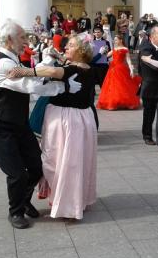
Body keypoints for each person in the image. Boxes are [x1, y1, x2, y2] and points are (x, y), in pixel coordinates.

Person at [0, 20, 82, 229]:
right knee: (17, 173)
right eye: (22, 37)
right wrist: (61, 84)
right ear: (9, 40)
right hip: (0, 125)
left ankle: (24, 200)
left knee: (37, 167)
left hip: (19, 123)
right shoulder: (3, 63)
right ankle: (15, 212)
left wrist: (60, 83)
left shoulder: (15, 60)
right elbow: (31, 86)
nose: (26, 41)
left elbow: (34, 80)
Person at [8, 36, 97, 220]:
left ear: (81, 51)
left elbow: (50, 71)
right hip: (83, 118)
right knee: (75, 160)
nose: (66, 47)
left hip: (66, 119)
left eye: (71, 45)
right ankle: (73, 199)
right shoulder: (88, 69)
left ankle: (66, 203)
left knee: (58, 160)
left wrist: (23, 71)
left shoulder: (72, 69)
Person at [96, 34, 141, 110]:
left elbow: (128, 60)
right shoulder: (114, 49)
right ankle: (113, 103)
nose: (115, 41)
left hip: (120, 68)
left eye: (116, 40)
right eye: (114, 40)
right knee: (113, 86)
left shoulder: (124, 49)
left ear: (120, 40)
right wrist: (103, 50)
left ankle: (123, 102)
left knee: (122, 86)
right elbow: (107, 55)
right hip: (112, 69)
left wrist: (131, 68)